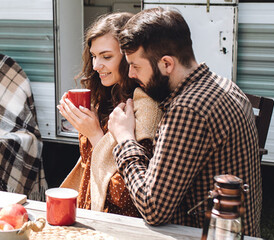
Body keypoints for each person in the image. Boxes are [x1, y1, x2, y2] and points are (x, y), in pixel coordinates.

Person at [107, 7, 262, 236]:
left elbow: (152, 208)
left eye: (136, 66)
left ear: (167, 64)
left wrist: (125, 139)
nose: (130, 74)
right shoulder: (224, 85)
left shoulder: (188, 110)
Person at [57, 12, 161, 218]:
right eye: (94, 56)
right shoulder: (106, 96)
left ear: (129, 57)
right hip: (91, 213)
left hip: (117, 223)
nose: (96, 66)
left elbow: (126, 197)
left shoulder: (144, 107)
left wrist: (95, 136)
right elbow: (90, 168)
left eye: (106, 56)